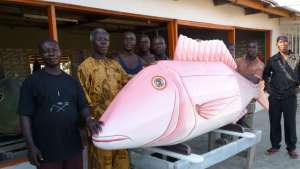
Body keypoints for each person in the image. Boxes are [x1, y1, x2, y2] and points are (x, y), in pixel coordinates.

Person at [18, 39, 101, 169]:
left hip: (73, 146)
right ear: (40, 55)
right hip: (46, 150)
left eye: (55, 50)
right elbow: (24, 115)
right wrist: (31, 147)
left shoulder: (71, 81)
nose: (51, 54)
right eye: (46, 51)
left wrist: (89, 119)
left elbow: (83, 106)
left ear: (60, 52)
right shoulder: (31, 81)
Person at [77, 28, 131, 169]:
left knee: (121, 158)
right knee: (101, 161)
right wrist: (88, 121)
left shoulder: (115, 64)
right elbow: (81, 96)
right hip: (97, 124)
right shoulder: (85, 66)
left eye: (106, 40)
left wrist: (146, 74)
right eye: (100, 40)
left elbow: (128, 84)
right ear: (92, 42)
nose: (104, 43)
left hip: (118, 121)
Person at [263, 35, 299, 159]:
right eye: (280, 42)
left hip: (290, 96)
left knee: (290, 123)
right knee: (274, 122)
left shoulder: (296, 58)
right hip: (275, 97)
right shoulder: (273, 59)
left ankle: (291, 148)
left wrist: (297, 89)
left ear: (288, 44)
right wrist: (268, 88)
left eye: (285, 42)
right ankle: (275, 145)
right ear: (277, 44)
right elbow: (266, 75)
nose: (283, 44)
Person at [236, 41, 264, 128]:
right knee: (230, 127)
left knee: (246, 130)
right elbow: (230, 77)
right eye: (249, 47)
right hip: (235, 99)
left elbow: (254, 80)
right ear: (246, 49)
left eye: (254, 47)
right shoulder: (238, 60)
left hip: (249, 101)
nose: (251, 49)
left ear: (257, 49)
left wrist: (236, 74)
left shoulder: (260, 65)